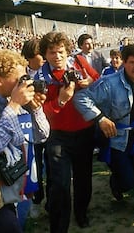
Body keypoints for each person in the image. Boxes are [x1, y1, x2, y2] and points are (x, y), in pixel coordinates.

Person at [0, 49, 50, 233]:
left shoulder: (11, 102)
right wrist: (14, 105)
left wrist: (35, 110)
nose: (25, 83)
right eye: (20, 79)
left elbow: (42, 135)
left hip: (13, 189)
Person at [74, 43, 134, 220]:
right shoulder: (109, 83)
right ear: (124, 63)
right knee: (127, 182)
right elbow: (81, 98)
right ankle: (116, 184)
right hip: (119, 139)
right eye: (132, 62)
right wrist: (100, 118)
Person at [34, 32, 98, 232]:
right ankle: (59, 226)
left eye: (60, 52)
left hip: (85, 132)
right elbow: (39, 111)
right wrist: (61, 100)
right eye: (52, 53)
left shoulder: (78, 62)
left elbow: (97, 78)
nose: (57, 56)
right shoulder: (39, 77)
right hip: (57, 136)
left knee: (83, 178)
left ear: (67, 51)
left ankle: (81, 212)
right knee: (59, 184)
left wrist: (89, 82)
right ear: (45, 54)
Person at [21, 38, 48, 219]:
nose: (45, 57)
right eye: (41, 54)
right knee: (35, 166)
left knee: (54, 168)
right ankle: (37, 200)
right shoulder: (20, 76)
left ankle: (53, 202)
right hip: (31, 130)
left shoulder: (50, 72)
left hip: (52, 127)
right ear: (31, 55)